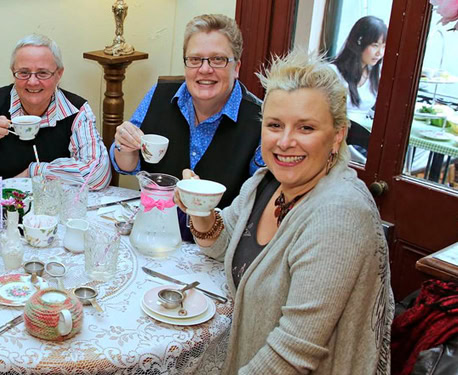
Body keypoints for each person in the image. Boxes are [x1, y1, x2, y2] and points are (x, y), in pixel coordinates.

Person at [182, 51, 393, 374]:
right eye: (274, 125)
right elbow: (222, 243)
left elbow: (293, 353)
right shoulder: (265, 185)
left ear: (338, 135)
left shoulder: (338, 214)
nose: (284, 141)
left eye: (305, 128)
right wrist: (200, 208)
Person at [111, 14, 263, 242]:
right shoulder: (159, 95)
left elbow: (262, 201)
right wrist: (124, 146)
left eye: (218, 59)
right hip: (155, 236)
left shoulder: (260, 119)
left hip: (219, 247)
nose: (204, 69)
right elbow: (126, 166)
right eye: (195, 59)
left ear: (237, 67)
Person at [0, 33, 111, 192]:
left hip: (46, 213)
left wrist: (35, 171)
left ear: (59, 74)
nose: (32, 82)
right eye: (23, 73)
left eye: (42, 73)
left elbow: (97, 174)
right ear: (13, 73)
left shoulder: (76, 111)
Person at [331, 15, 387, 118]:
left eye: (383, 47)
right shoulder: (333, 72)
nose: (380, 53)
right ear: (359, 42)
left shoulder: (374, 75)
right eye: (375, 45)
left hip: (362, 131)